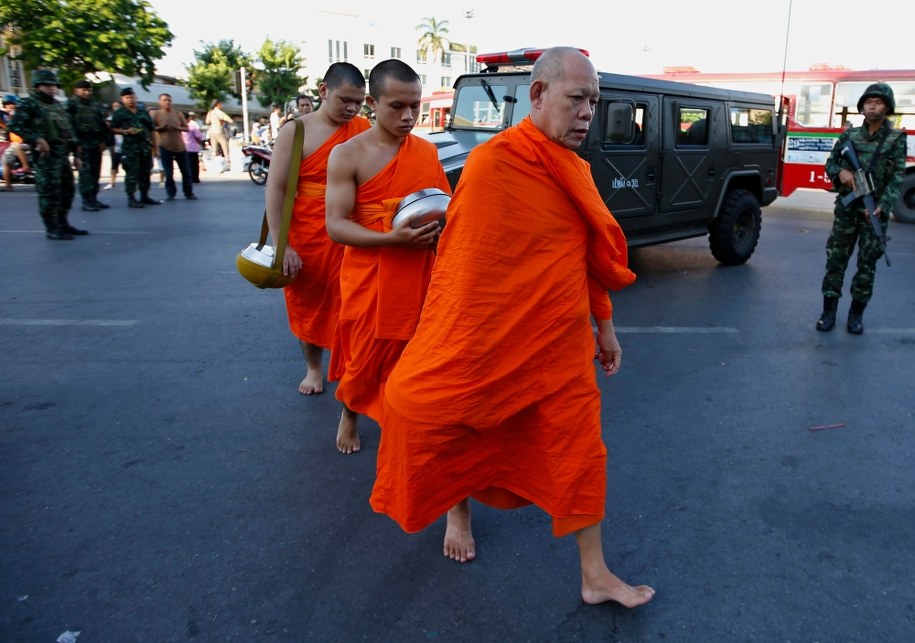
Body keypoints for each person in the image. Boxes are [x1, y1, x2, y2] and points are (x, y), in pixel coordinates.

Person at [368, 48, 655, 609]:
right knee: (452, 419)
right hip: (489, 340)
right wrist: (457, 343)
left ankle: (595, 575)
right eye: (577, 98)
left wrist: (606, 326)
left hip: (558, 345)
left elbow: (589, 256)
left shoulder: (573, 168)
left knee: (579, 451)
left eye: (594, 102)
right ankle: (458, 513)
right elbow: (461, 270)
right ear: (538, 95)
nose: (587, 113)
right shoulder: (493, 164)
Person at [324, 59, 450, 454]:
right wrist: (392, 239)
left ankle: (403, 419)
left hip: (420, 271)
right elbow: (336, 226)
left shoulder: (426, 151)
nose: (409, 116)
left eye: (415, 105)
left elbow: (445, 206)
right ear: (373, 103)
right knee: (364, 356)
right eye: (397, 106)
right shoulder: (347, 155)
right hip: (370, 274)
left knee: (416, 354)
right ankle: (350, 411)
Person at [265, 63, 370, 408]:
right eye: (345, 100)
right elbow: (277, 189)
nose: (352, 109)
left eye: (358, 102)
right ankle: (313, 367)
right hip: (309, 234)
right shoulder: (295, 131)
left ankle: (352, 371)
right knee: (307, 306)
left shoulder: (362, 128)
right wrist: (282, 244)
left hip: (351, 230)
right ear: (324, 91)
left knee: (353, 306)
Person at [816, 82, 906, 335]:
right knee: (836, 260)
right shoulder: (849, 136)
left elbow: (897, 177)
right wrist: (841, 172)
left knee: (867, 265)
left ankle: (856, 314)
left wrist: (883, 206)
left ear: (887, 107)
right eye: (868, 102)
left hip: (873, 210)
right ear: (862, 106)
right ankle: (828, 312)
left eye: (877, 102)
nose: (872, 106)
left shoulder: (895, 139)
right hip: (847, 209)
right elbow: (831, 163)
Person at [8, 69, 87, 239]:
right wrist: (36, 138)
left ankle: (63, 223)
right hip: (46, 156)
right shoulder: (29, 103)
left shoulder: (57, 105)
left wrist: (77, 154)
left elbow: (68, 130)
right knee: (49, 193)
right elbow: (15, 125)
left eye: (54, 85)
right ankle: (52, 228)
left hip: (62, 155)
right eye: (47, 85)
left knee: (67, 190)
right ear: (37, 86)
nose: (52, 88)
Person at [109, 87, 161, 208]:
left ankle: (144, 195)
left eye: (132, 97)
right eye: (127, 98)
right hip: (130, 148)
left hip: (145, 147)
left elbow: (152, 130)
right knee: (132, 173)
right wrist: (125, 131)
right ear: (122, 99)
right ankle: (131, 197)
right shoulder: (120, 113)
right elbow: (112, 128)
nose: (130, 100)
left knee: (145, 172)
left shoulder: (143, 112)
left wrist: (156, 148)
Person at [66, 80, 112, 211]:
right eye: (84, 90)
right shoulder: (71, 105)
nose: (87, 92)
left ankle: (94, 198)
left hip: (96, 143)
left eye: (89, 90)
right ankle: (86, 200)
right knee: (85, 173)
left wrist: (104, 141)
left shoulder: (95, 104)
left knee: (95, 172)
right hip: (82, 143)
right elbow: (69, 127)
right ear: (76, 90)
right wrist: (75, 145)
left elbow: (103, 124)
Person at [151, 93, 197, 201]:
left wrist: (177, 128)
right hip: (164, 146)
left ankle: (189, 192)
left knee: (186, 171)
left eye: (169, 100)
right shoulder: (157, 114)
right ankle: (171, 193)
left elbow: (186, 128)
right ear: (160, 102)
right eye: (165, 100)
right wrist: (161, 127)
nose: (167, 102)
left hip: (180, 147)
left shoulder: (178, 114)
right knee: (169, 172)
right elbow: (151, 128)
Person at [2, 95, 33, 191]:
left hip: (27, 142)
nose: (9, 106)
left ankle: (26, 167)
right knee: (6, 161)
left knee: (16, 145)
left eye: (11, 104)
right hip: (14, 144)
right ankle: (8, 185)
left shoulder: (20, 114)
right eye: (7, 105)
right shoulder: (6, 116)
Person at [206, 99, 233, 172]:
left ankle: (214, 164)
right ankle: (228, 163)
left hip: (212, 132)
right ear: (217, 104)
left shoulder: (210, 112)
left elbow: (207, 121)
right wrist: (223, 121)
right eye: (220, 104)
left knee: (214, 149)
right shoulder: (220, 112)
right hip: (219, 131)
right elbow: (230, 120)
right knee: (225, 147)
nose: (221, 105)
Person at [104, 101, 123, 190]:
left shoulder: (127, 116)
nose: (116, 108)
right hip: (115, 144)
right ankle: (112, 182)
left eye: (118, 106)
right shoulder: (111, 118)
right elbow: (107, 126)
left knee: (129, 164)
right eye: (114, 106)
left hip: (126, 144)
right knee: (114, 163)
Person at [182, 111, 204, 184]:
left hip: (184, 148)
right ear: (188, 118)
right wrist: (199, 142)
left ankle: (188, 178)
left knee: (187, 164)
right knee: (194, 164)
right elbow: (198, 136)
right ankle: (195, 178)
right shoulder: (191, 126)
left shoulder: (179, 126)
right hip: (193, 148)